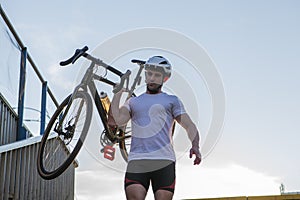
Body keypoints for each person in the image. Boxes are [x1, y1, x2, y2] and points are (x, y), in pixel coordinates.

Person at [110, 55, 202, 200]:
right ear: (145, 76)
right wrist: (116, 95)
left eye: (157, 75)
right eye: (149, 74)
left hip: (163, 160)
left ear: (164, 78)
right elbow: (117, 120)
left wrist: (195, 145)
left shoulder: (172, 101)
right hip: (137, 161)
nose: (152, 78)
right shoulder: (133, 101)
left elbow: (189, 125)